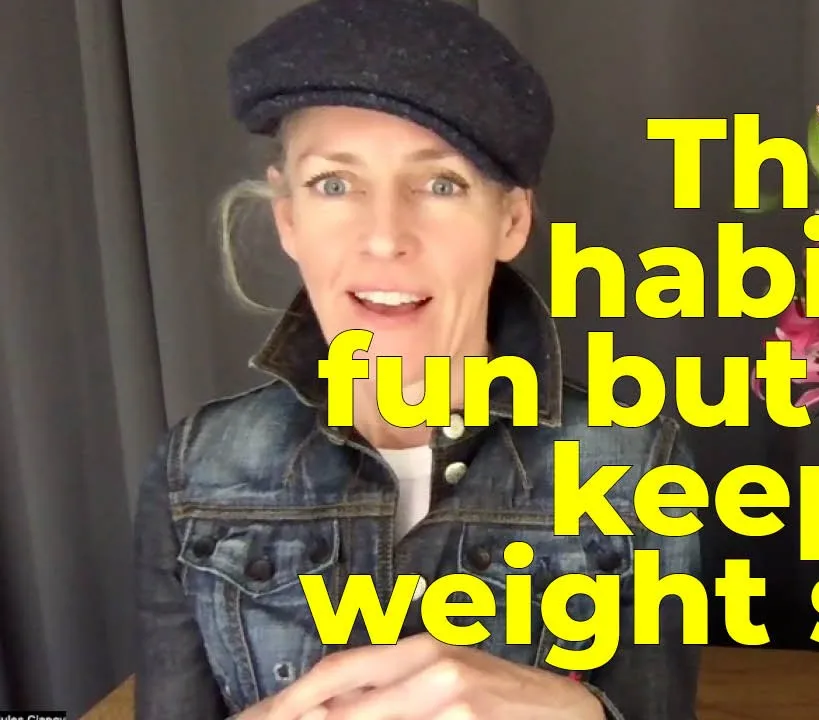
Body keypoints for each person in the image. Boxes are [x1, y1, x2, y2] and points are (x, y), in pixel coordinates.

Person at [131, 1, 703, 718]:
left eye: (441, 184)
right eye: (334, 184)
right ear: (289, 219)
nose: (384, 237)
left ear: (512, 220)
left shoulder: (639, 463)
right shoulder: (194, 471)